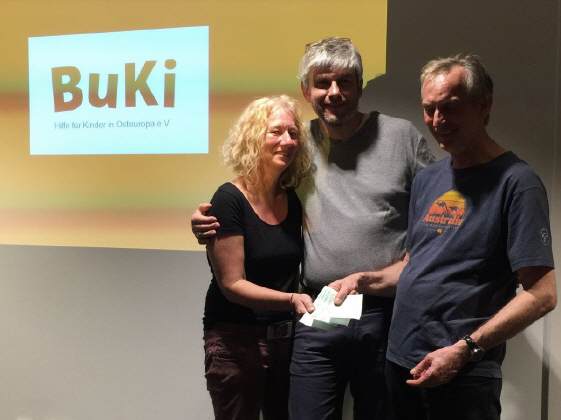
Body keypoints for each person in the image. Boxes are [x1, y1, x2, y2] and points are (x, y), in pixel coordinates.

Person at [193, 37, 434, 420]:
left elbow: (438, 213)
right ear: (306, 90)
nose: (334, 92)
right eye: (322, 83)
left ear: (360, 86)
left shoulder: (401, 137)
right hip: (315, 311)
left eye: (345, 82)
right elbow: (250, 191)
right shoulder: (297, 143)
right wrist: (204, 222)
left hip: (385, 312)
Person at [333, 54, 557, 420]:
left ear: (483, 105)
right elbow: (414, 263)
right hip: (401, 361)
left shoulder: (518, 183)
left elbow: (542, 294)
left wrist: (465, 348)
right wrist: (365, 280)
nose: (438, 120)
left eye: (450, 107)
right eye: (429, 109)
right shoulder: (428, 178)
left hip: (462, 372)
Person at [202, 95, 315, 420]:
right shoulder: (229, 199)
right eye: (276, 131)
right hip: (236, 340)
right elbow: (232, 284)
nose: (287, 141)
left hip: (286, 341)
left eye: (293, 133)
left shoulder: (292, 198)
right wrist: (291, 299)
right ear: (253, 138)